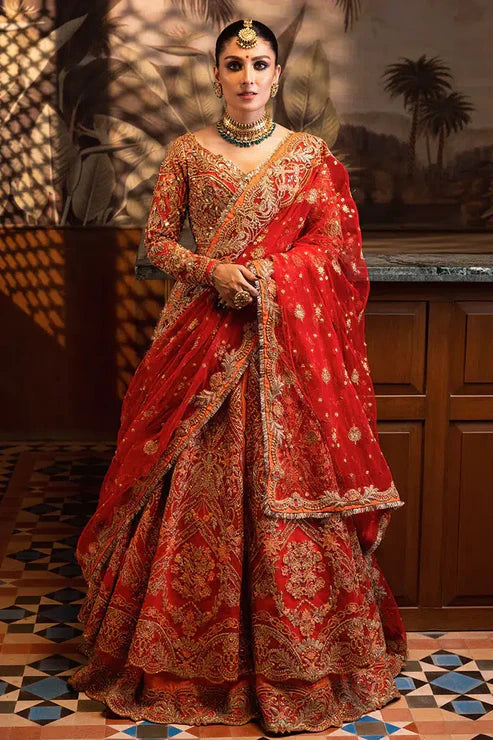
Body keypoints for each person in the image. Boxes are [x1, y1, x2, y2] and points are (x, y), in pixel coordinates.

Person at [68, 18, 408, 734]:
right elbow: (158, 243)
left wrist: (269, 275)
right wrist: (212, 271)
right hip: (200, 340)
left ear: (277, 75)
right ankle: (176, 661)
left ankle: (306, 665)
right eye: (233, 63)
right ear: (216, 74)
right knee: (182, 487)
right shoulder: (188, 153)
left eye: (259, 64)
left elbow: (334, 248)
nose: (247, 76)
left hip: (286, 355)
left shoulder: (309, 157)